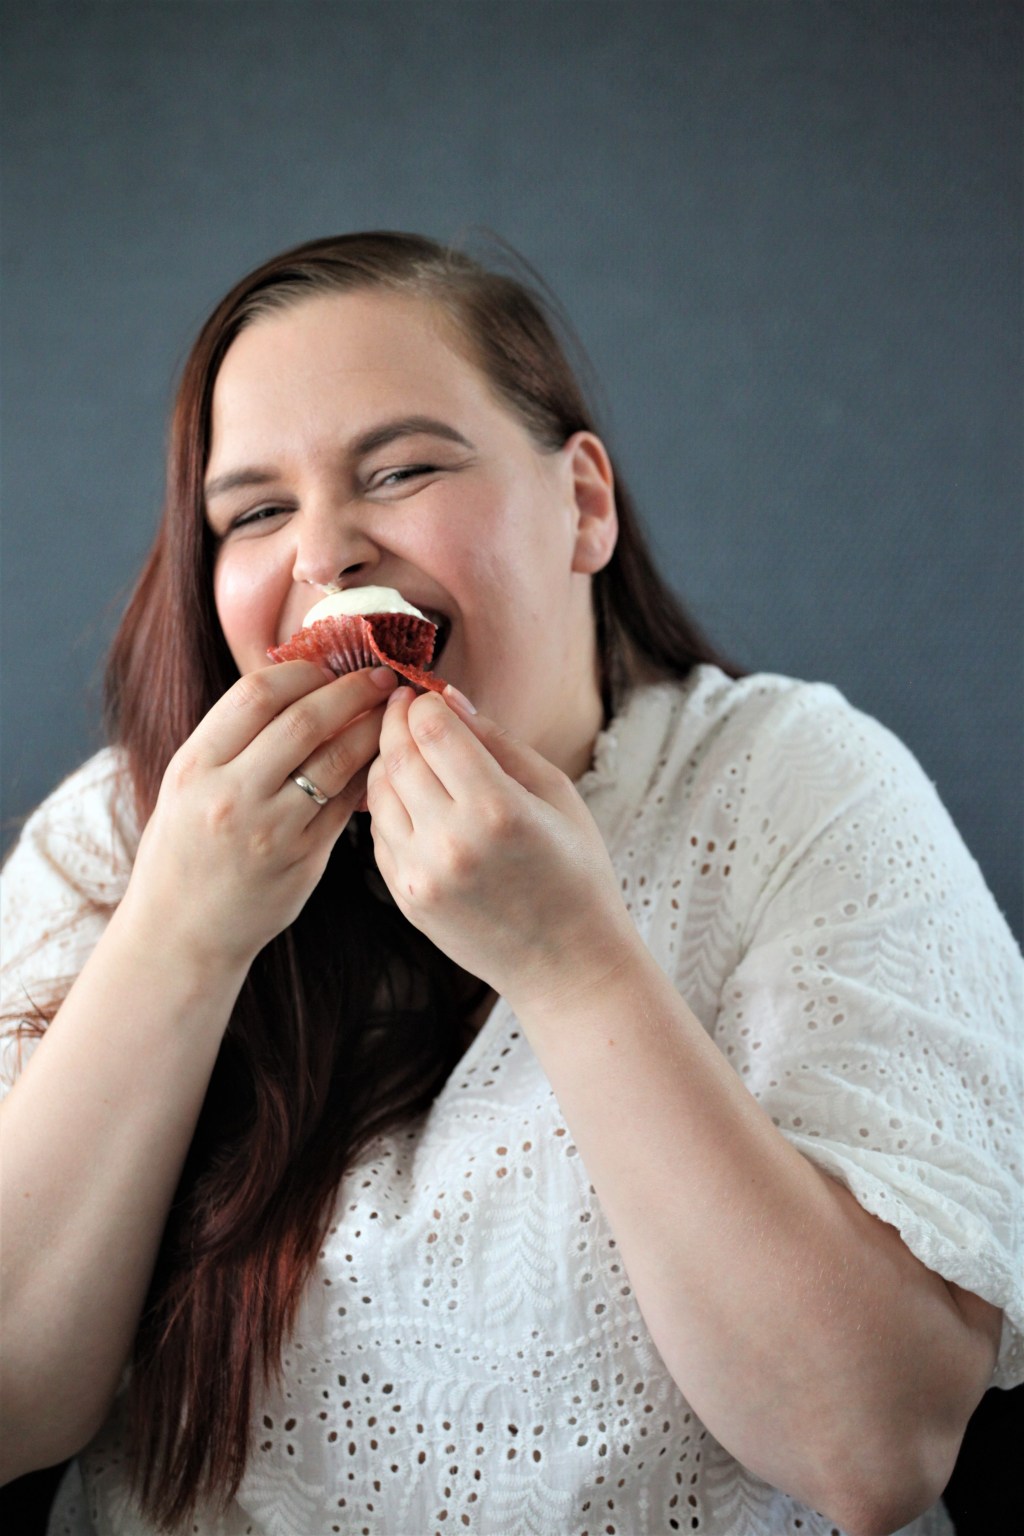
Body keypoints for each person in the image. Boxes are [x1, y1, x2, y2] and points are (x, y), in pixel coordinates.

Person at [1, 232, 1020, 1536]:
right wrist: (180, 937)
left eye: (402, 470)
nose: (325, 554)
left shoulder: (794, 783)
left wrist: (571, 961)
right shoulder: (118, 836)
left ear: (583, 504)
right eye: (253, 512)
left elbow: (872, 1450)